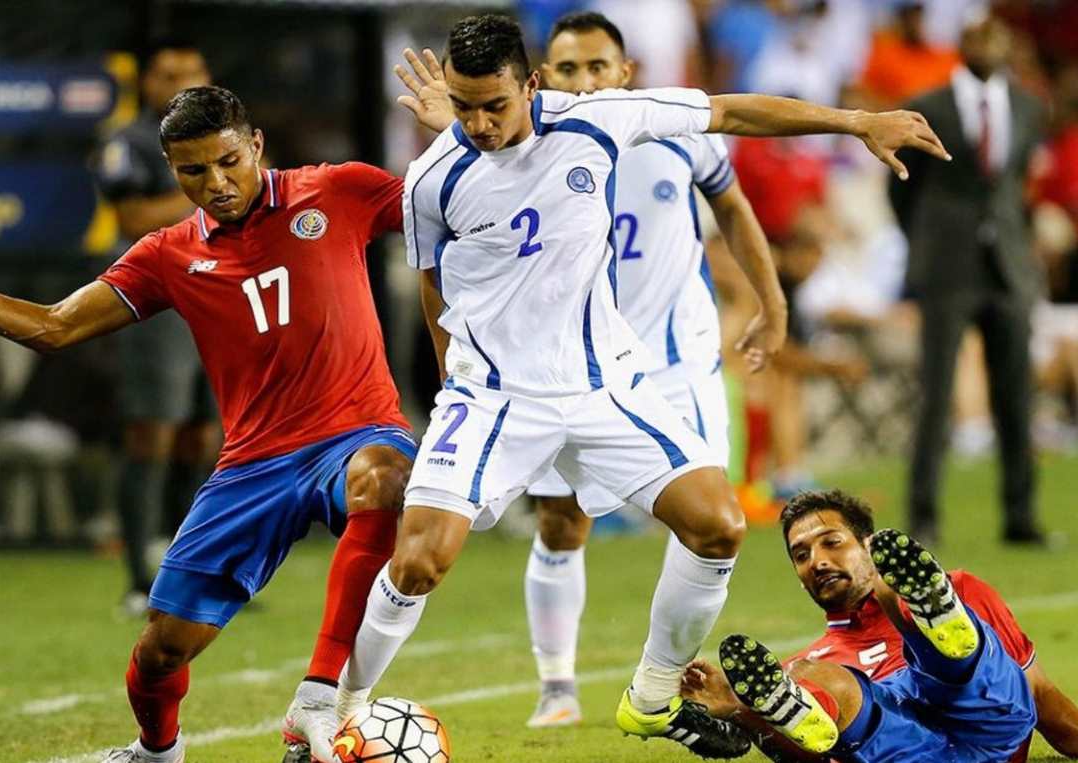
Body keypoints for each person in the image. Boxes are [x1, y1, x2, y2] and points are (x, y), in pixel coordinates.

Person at [341, 13, 948, 758]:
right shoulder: (434, 176)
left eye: (494, 106)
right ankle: (340, 708)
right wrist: (453, 386)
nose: (479, 124)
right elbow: (436, 294)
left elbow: (730, 111)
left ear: (529, 87)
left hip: (605, 388)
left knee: (718, 523)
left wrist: (856, 120)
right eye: (463, 108)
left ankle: (652, 694)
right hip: (496, 396)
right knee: (419, 561)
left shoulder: (600, 122)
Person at [0, 85, 415, 763]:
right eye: (194, 171)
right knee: (161, 650)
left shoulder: (338, 191)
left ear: (256, 145)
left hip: (354, 432)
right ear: (172, 169)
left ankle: (320, 696)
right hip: (252, 465)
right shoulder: (167, 254)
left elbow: (449, 208)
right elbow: (54, 326)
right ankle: (156, 750)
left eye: (229, 162)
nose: (216, 183)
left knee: (389, 480)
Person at [519, 10, 785, 728]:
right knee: (560, 522)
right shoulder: (525, 147)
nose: (585, 82)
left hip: (676, 365)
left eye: (598, 66)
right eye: (568, 69)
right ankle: (557, 685)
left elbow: (731, 206)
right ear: (544, 79)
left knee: (710, 523)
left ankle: (658, 686)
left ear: (626, 72)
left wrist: (770, 300)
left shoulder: (677, 130)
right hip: (574, 369)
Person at [682, 489, 1078, 761]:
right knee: (820, 681)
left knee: (898, 600)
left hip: (991, 724)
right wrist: (739, 711)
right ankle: (938, 636)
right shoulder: (810, 666)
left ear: (867, 545)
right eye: (801, 555)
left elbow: (1042, 697)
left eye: (831, 542)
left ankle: (942, 631)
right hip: (913, 754)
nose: (817, 561)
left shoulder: (960, 588)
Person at [889, 11, 1046, 545]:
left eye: (997, 34)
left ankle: (1021, 516)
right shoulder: (927, 106)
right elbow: (902, 188)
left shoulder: (1028, 107)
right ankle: (923, 517)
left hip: (1007, 267)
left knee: (1016, 396)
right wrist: (928, 241)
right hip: (947, 266)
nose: (988, 43)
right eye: (979, 34)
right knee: (935, 396)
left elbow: (1015, 185)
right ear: (962, 44)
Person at [92, 37, 219, 617]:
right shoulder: (130, 142)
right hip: (159, 299)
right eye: (169, 74)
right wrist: (206, 191)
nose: (181, 83)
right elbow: (133, 218)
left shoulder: (224, 133)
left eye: (191, 71)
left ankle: (192, 568)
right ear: (147, 84)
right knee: (153, 433)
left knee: (207, 437)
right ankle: (139, 576)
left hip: (219, 296)